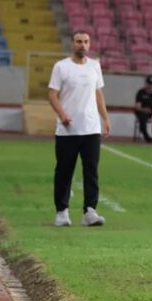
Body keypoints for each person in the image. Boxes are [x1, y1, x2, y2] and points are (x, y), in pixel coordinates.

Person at [47, 30, 110, 227]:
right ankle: (62, 211)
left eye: (86, 41)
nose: (82, 45)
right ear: (72, 44)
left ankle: (90, 211)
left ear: (89, 44)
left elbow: (98, 93)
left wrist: (105, 118)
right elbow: (52, 93)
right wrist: (62, 114)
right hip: (68, 130)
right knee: (64, 171)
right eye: (79, 41)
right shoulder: (61, 67)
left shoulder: (94, 66)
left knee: (91, 171)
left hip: (91, 128)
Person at [134, 75, 152, 142]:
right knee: (142, 117)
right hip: (143, 112)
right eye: (149, 84)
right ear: (146, 83)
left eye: (151, 84)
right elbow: (138, 107)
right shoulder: (141, 92)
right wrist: (144, 110)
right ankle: (147, 137)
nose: (150, 86)